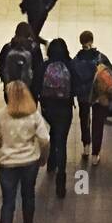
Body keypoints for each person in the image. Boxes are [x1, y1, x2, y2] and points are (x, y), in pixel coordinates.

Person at [0, 79, 49, 223]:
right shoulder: (33, 115)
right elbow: (45, 139)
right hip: (29, 162)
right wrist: (42, 158)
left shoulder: (2, 114)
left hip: (7, 165)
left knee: (8, 203)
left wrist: (2, 144)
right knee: (28, 195)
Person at [71, 30, 112, 166]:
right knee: (98, 123)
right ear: (92, 41)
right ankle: (95, 154)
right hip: (99, 96)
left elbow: (73, 79)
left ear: (81, 42)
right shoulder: (101, 58)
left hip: (83, 96)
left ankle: (86, 146)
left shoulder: (76, 60)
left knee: (84, 119)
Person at [39, 38, 74, 198]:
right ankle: (61, 179)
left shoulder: (45, 66)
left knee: (54, 131)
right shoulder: (70, 65)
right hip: (65, 109)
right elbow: (77, 86)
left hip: (48, 110)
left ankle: (51, 162)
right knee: (62, 140)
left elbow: (36, 85)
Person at [0, 21, 45, 101]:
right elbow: (40, 69)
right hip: (30, 91)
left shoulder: (7, 48)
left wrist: (5, 79)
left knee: (12, 111)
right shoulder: (34, 49)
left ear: (16, 32)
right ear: (29, 34)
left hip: (10, 90)